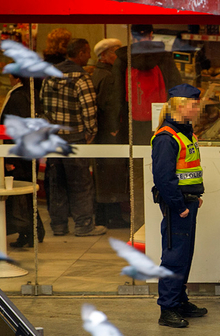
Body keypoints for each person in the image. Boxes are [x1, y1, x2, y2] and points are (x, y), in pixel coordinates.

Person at [151, 83, 207, 328]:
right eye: (194, 105)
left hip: (188, 202)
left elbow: (188, 171)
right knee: (174, 257)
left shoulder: (186, 133)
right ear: (181, 105)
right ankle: (168, 309)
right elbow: (163, 178)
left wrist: (195, 195)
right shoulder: (166, 137)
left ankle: (180, 300)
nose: (198, 109)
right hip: (178, 206)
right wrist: (178, 204)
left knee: (184, 256)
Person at [40, 38, 106, 237]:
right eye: (87, 53)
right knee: (80, 182)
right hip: (75, 137)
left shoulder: (49, 74)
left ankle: (58, 225)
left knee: (56, 181)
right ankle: (83, 224)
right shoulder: (81, 77)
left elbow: (42, 104)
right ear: (80, 53)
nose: (89, 57)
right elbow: (89, 109)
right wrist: (91, 132)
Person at [112, 24, 182, 145]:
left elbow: (116, 93)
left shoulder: (123, 59)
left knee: (135, 155)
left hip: (131, 120)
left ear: (132, 36)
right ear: (151, 35)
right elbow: (176, 86)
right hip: (160, 117)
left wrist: (115, 124)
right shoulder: (164, 57)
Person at [1, 73, 46, 248]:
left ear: (16, 78)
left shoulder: (17, 97)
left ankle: (28, 232)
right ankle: (35, 231)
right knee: (28, 191)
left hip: (17, 153)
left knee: (20, 193)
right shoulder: (33, 94)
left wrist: (8, 157)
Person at [91, 38, 129, 229]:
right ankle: (111, 216)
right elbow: (109, 105)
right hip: (109, 133)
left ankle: (105, 216)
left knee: (104, 175)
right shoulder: (109, 76)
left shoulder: (97, 73)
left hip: (100, 133)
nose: (119, 56)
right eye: (115, 52)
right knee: (112, 176)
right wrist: (114, 129)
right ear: (103, 55)